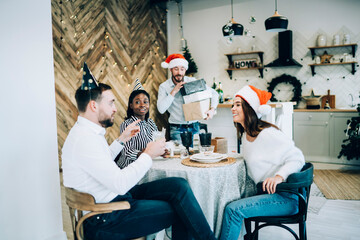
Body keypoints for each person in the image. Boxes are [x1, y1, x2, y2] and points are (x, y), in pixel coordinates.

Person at [62, 63, 216, 240]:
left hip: (114, 198)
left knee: (179, 186)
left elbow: (102, 161)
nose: (115, 108)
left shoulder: (85, 132)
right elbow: (120, 183)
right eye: (111, 102)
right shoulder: (85, 140)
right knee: (180, 209)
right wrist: (148, 154)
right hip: (107, 216)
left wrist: (121, 140)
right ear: (93, 106)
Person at [219, 85, 305, 240]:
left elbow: (297, 157)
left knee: (233, 210)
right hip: (267, 193)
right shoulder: (246, 135)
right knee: (225, 200)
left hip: (285, 198)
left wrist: (279, 176)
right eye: (233, 104)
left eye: (238, 105)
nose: (232, 108)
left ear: (249, 108)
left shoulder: (267, 134)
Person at [157, 53, 219, 142]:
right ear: (171, 69)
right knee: (180, 155)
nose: (179, 72)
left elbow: (214, 93)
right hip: (176, 129)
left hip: (194, 127)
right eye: (176, 69)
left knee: (195, 155)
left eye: (182, 69)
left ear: (185, 70)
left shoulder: (192, 81)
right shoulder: (164, 87)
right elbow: (161, 109)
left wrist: (212, 110)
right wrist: (173, 92)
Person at [116, 79, 158, 169]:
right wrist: (143, 154)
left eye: (145, 102)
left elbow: (157, 141)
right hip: (129, 168)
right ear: (131, 105)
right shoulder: (127, 124)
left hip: (148, 164)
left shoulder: (151, 123)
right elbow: (126, 150)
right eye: (137, 102)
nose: (142, 105)